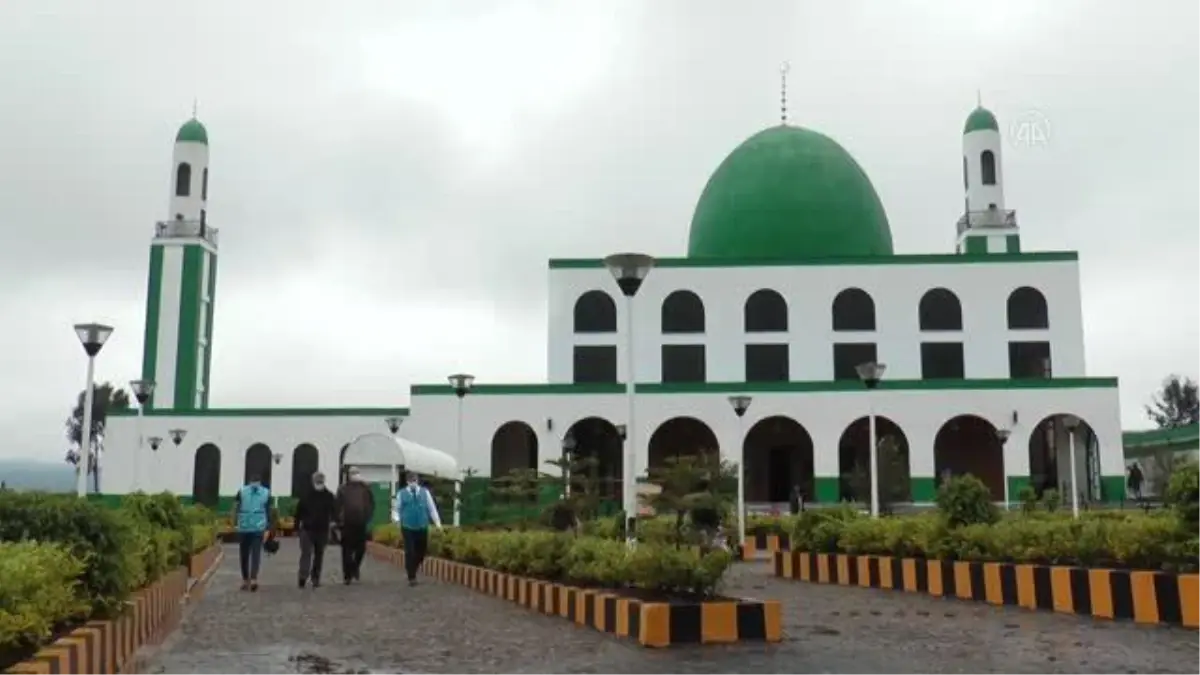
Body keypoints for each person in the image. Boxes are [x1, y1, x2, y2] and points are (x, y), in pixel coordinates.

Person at [394, 471, 442, 586]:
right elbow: (397, 509)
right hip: (407, 526)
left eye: (414, 480)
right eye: (410, 481)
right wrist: (397, 520)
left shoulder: (425, 493)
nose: (413, 483)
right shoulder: (402, 493)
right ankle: (411, 576)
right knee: (410, 551)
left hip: (422, 526)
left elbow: (431, 508)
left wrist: (437, 524)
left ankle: (413, 568)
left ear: (418, 481)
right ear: (407, 482)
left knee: (421, 551)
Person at [232, 473, 275, 591]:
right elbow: (236, 507)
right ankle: (246, 579)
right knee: (245, 555)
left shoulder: (265, 493)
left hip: (256, 528)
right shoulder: (242, 492)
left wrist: (268, 529)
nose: (254, 485)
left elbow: (269, 512)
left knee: (254, 554)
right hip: (246, 527)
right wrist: (234, 523)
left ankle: (253, 579)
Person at [294, 471, 336, 589]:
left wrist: (334, 522)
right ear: (313, 482)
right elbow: (298, 512)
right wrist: (296, 527)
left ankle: (315, 578)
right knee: (306, 554)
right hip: (307, 529)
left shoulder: (329, 496)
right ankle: (303, 576)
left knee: (319, 554)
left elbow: (334, 511)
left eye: (320, 481)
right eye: (317, 481)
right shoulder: (306, 495)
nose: (319, 483)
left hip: (322, 530)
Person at [336, 468, 375, 584]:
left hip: (361, 522)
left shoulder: (365, 488)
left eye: (356, 473)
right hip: (347, 523)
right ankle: (347, 575)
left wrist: (367, 517)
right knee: (346, 550)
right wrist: (338, 519)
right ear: (348, 475)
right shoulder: (343, 489)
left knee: (361, 548)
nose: (354, 475)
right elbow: (337, 505)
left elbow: (371, 504)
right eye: (352, 473)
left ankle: (354, 567)